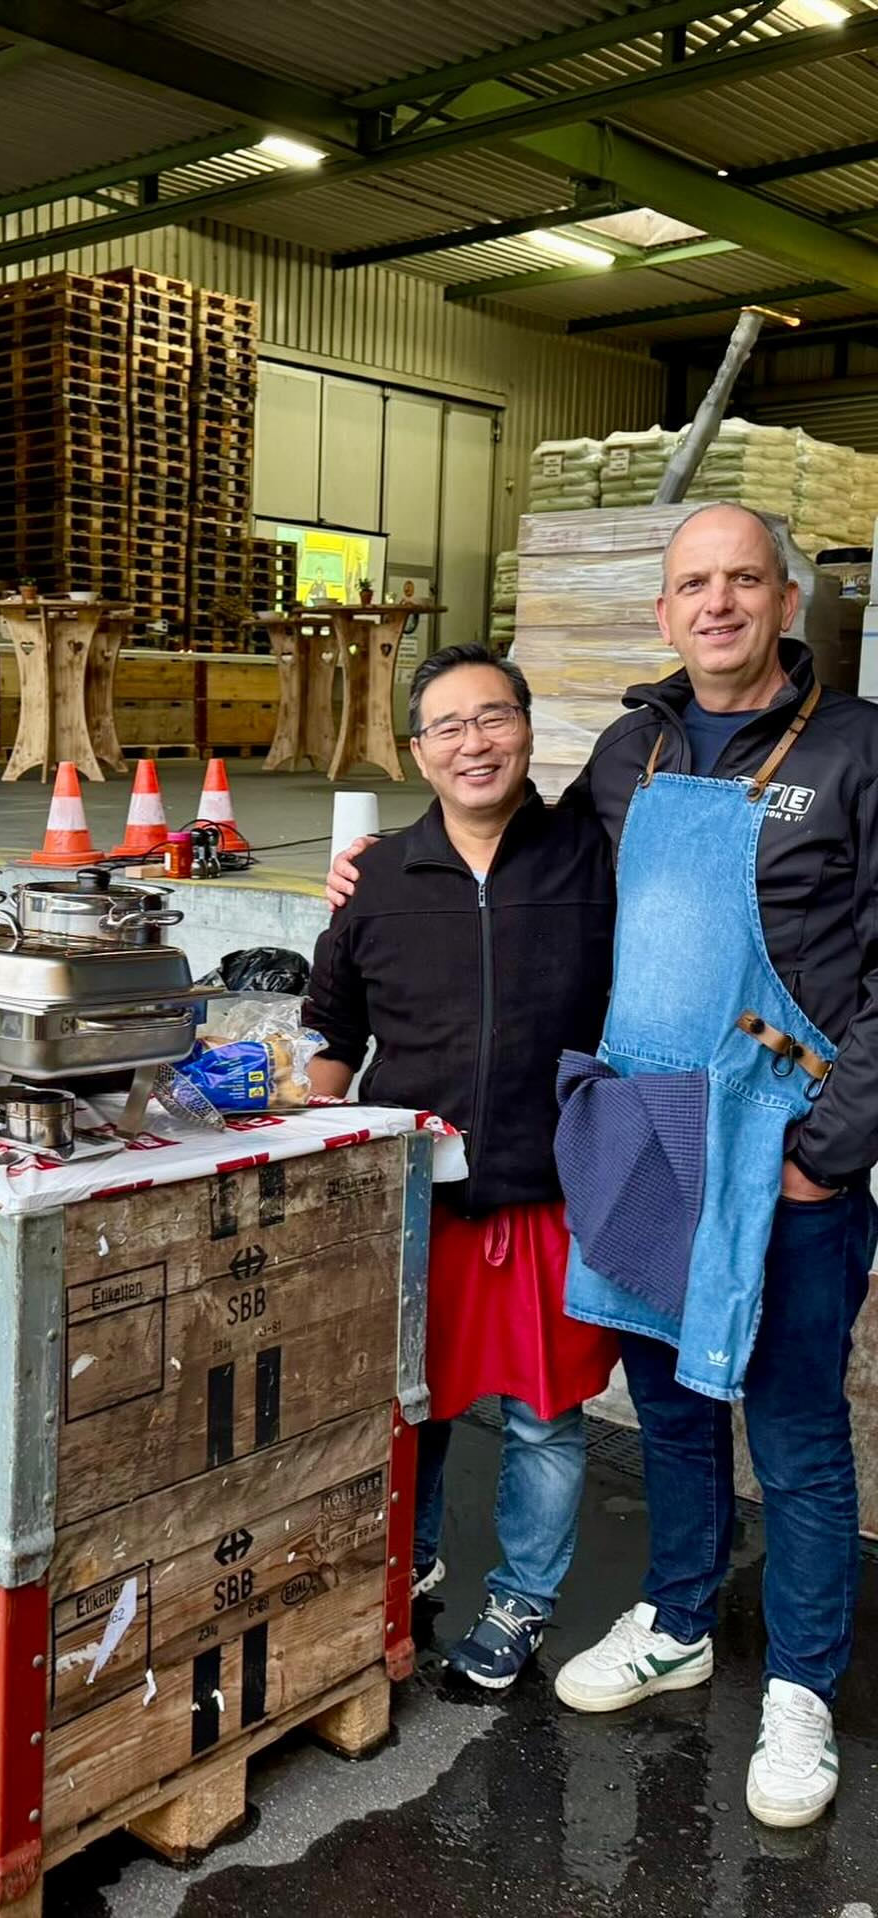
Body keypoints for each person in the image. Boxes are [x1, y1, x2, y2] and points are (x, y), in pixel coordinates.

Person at [328, 503, 878, 1828]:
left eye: (744, 580)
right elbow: (523, 856)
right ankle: (679, 1616)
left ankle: (801, 1685)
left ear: (787, 602)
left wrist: (830, 1144)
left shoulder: (861, 753)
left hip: (785, 1142)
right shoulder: (631, 750)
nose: (719, 603)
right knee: (676, 1412)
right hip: (648, 1145)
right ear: (665, 613)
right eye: (695, 583)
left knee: (795, 1428)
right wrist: (379, 870)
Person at [303, 641, 618, 1689]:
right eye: (448, 725)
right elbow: (334, 1028)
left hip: (552, 1184)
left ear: (528, 731)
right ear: (417, 751)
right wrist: (318, 1133)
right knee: (413, 1400)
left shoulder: (591, 855)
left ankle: (523, 1600)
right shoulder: (381, 878)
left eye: (494, 718)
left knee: (544, 1417)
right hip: (416, 1193)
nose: (473, 742)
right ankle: (412, 1559)